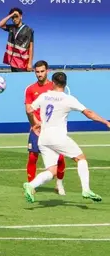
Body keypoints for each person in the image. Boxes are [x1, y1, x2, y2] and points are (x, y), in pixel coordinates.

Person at [24, 72, 108, 203]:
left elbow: (29, 110)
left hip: (43, 138)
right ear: (65, 84)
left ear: (53, 83)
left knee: (52, 171)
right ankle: (86, 189)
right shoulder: (68, 99)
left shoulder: (44, 96)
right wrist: (106, 122)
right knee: (81, 158)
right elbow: (88, 113)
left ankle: (31, 185)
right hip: (58, 137)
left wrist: (34, 124)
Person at [24, 60, 67, 193]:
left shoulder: (54, 87)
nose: (40, 74)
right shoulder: (30, 89)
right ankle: (31, 186)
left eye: (42, 71)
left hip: (52, 129)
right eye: (37, 72)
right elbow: (28, 109)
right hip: (36, 129)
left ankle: (59, 184)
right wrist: (35, 124)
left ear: (47, 71)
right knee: (33, 156)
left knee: (60, 158)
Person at [0, 7, 33, 72]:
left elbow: (31, 47)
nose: (14, 19)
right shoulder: (11, 27)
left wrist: (30, 63)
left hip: (22, 62)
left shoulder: (28, 30)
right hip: (13, 61)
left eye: (16, 16)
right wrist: (11, 15)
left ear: (21, 17)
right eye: (13, 18)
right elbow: (0, 24)